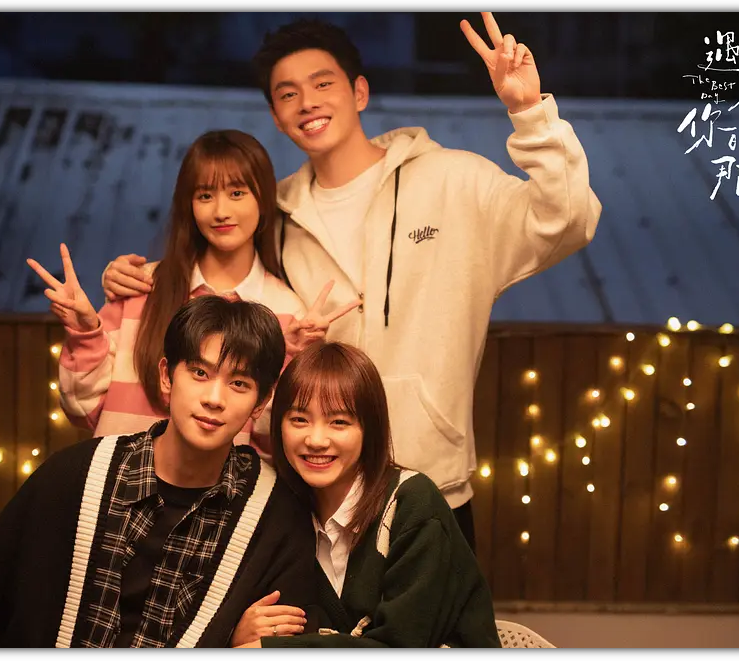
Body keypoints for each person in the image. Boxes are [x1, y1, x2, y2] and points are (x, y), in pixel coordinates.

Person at [100, 13, 603, 552]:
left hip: (429, 482)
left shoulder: (453, 181)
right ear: (276, 116)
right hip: (308, 492)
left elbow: (568, 220)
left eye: (323, 84)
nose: (307, 103)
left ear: (359, 92)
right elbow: (217, 283)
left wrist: (530, 114)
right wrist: (137, 276)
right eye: (288, 94)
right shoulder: (273, 214)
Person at [0, 296, 323, 647]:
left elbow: (288, 639)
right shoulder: (76, 476)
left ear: (261, 402)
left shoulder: (274, 516)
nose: (214, 398)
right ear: (166, 377)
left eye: (238, 384)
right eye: (199, 373)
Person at [27, 129, 357, 455]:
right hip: (121, 479)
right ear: (189, 205)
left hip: (221, 488)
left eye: (237, 193)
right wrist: (85, 333)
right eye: (205, 196)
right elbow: (81, 409)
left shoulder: (286, 310)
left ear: (263, 199)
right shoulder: (141, 285)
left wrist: (289, 357)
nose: (221, 211)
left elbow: (271, 439)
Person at [234, 341, 499, 648]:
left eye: (339, 422)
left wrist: (271, 648)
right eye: (299, 420)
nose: (316, 440)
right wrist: (239, 634)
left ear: (369, 429)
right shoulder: (282, 512)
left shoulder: (412, 503)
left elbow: (401, 646)